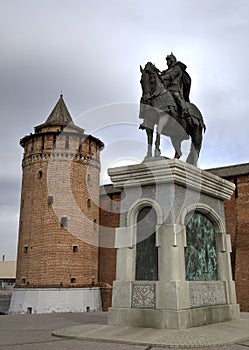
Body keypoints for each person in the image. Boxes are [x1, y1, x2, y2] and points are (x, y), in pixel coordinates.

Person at [161, 53, 191, 118]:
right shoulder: (167, 70)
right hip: (166, 89)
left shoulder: (177, 68)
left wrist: (161, 77)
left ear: (172, 60)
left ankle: (184, 110)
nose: (167, 62)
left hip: (174, 88)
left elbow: (170, 76)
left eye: (168, 60)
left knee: (176, 96)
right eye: (166, 60)